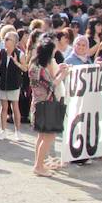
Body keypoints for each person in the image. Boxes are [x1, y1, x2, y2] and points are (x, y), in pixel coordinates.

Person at [29, 39, 69, 177]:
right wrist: (62, 75)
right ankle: (38, 166)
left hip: (41, 104)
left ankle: (39, 163)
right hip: (45, 104)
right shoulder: (38, 68)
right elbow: (50, 86)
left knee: (42, 136)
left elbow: (49, 81)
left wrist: (58, 72)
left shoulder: (36, 65)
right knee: (48, 136)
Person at [0, 31, 27, 141]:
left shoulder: (19, 54)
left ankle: (17, 131)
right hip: (2, 83)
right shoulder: (1, 52)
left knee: (15, 107)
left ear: (14, 42)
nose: (5, 41)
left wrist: (16, 62)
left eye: (7, 39)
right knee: (3, 107)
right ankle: (3, 130)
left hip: (14, 84)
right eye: (4, 39)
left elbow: (25, 68)